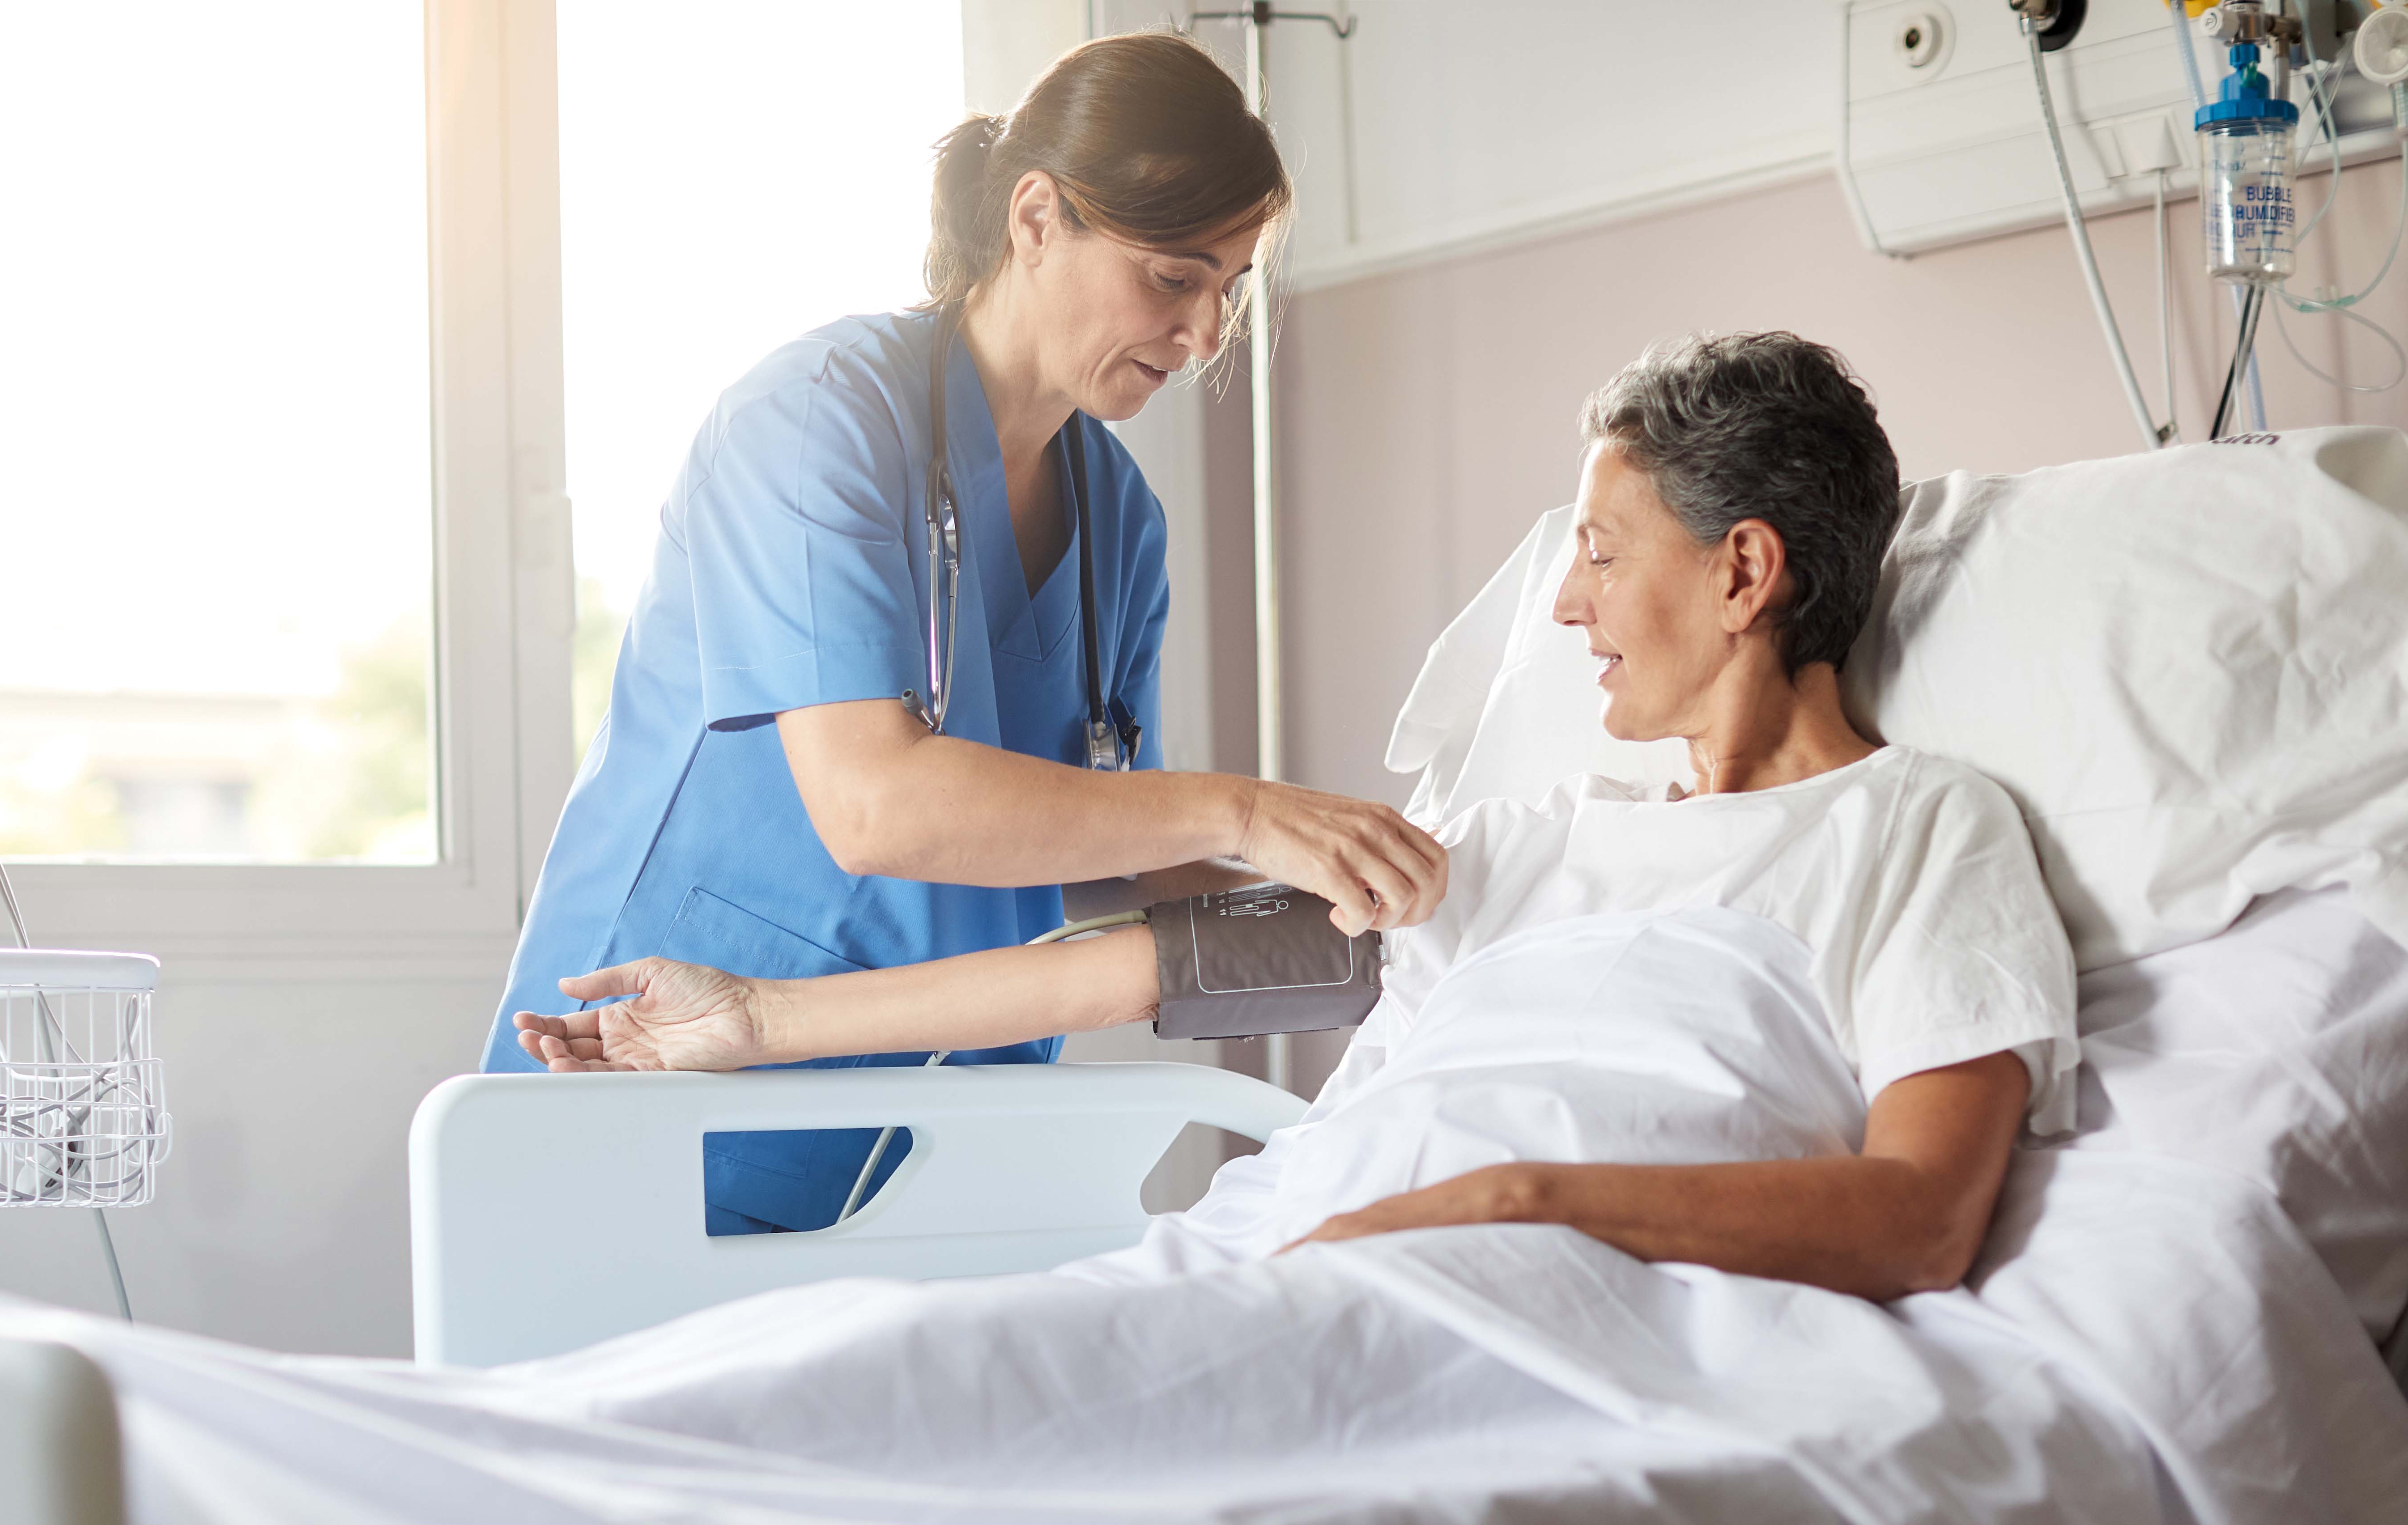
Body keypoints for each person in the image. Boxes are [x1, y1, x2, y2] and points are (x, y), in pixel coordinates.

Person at [517, 332, 2082, 1300]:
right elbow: (1143, 966)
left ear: (1743, 572)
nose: (1563, 601)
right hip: (1288, 1258)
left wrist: (1505, 1204)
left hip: (1509, 1291)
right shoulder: (1528, 839)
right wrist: (752, 1024)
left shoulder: (1922, 832)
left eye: (1602, 552)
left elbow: (1914, 1216)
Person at [490, 31, 1447, 1237]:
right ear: (1036, 218)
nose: (1207, 337)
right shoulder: (813, 424)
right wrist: (1250, 810)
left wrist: (1356, 895)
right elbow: (875, 806)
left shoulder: (1120, 522)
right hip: (650, 1077)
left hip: (940, 1133)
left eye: (1229, 288)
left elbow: (1096, 847)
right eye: (1173, 277)